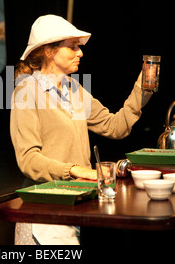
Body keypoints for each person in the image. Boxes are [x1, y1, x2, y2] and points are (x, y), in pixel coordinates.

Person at [10, 14, 153, 244]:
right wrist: (77, 170)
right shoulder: (27, 91)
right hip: (47, 212)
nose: (81, 53)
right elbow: (28, 159)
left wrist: (142, 90)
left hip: (76, 205)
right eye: (73, 47)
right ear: (48, 51)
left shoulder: (73, 88)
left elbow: (114, 126)